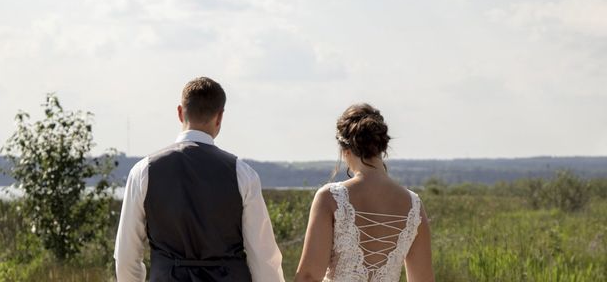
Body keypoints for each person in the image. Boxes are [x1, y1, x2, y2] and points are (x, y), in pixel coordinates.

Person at [114, 76, 285, 282]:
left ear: (180, 112)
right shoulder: (242, 173)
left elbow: (126, 256)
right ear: (219, 117)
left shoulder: (143, 171)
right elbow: (263, 257)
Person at [294, 104, 434, 282]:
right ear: (382, 148)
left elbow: (309, 276)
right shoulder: (413, 205)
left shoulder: (330, 197)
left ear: (345, 151)